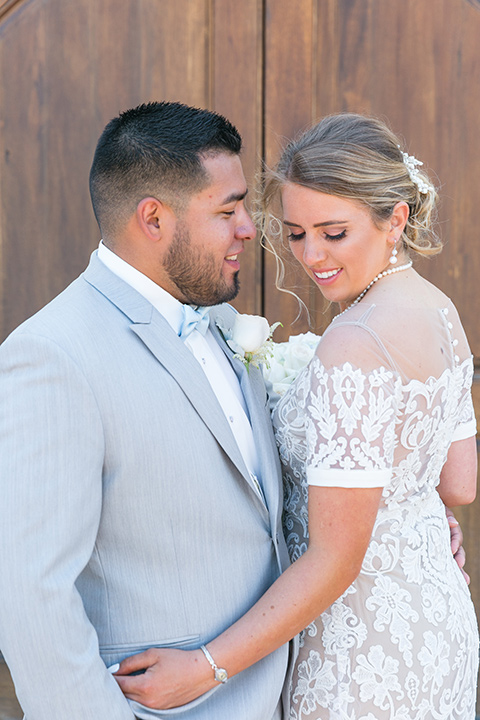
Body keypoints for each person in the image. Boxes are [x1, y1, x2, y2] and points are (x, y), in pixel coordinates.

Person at [114, 114, 479, 719]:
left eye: (334, 233)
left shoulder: (354, 343)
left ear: (396, 218)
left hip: (359, 650)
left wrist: (207, 668)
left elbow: (336, 559)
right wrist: (408, 516)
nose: (313, 256)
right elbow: (458, 484)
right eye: (296, 233)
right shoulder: (442, 312)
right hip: (437, 623)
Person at [0, 101, 292, 720]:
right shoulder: (52, 356)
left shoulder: (225, 322)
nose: (248, 227)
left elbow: (261, 506)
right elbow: (28, 593)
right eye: (228, 208)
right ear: (153, 218)